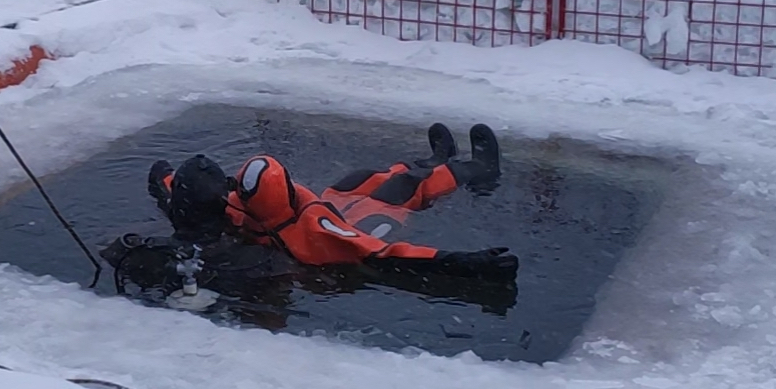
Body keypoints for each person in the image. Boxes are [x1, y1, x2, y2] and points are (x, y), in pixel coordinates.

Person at [142, 123, 517, 279]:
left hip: (326, 203)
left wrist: (163, 175)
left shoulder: (238, 205)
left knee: (361, 177)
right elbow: (389, 254)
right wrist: (466, 261)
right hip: (353, 226)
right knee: (402, 187)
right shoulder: (314, 235)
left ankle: (435, 160)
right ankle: (478, 168)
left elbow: (185, 193)